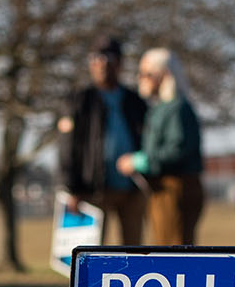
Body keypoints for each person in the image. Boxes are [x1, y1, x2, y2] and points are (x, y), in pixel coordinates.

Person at [56, 35, 147, 244]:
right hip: (94, 188)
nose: (102, 64)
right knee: (93, 252)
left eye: (109, 58)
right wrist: (70, 187)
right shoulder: (80, 100)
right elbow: (66, 147)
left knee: (134, 252)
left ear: (120, 63)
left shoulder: (135, 101)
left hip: (132, 188)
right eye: (96, 58)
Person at [117, 48, 205, 246]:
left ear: (164, 74)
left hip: (175, 188)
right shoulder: (160, 108)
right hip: (161, 189)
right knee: (163, 246)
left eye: (147, 74)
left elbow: (177, 150)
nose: (141, 79)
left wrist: (141, 161)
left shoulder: (177, 108)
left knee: (174, 251)